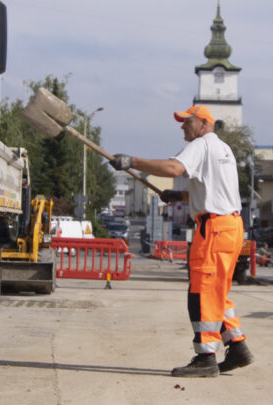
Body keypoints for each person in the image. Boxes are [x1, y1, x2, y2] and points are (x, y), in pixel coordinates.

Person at [108, 105, 254, 378]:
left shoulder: (201, 145)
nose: (183, 126)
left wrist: (132, 162)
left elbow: (174, 168)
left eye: (187, 122)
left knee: (201, 292)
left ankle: (206, 357)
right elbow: (217, 191)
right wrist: (181, 198)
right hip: (231, 226)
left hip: (214, 230)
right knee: (216, 290)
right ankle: (237, 346)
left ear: (203, 124)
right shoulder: (224, 150)